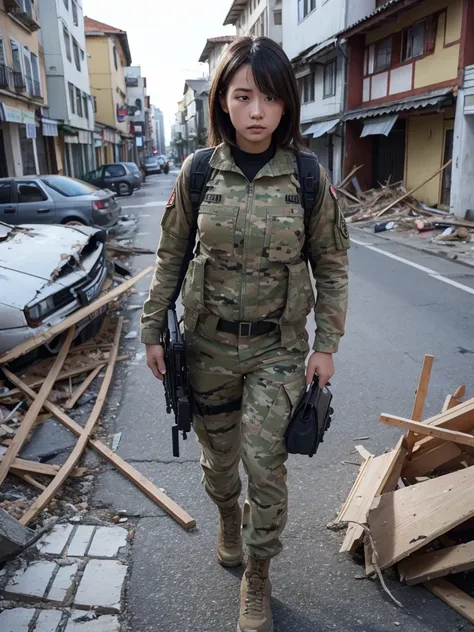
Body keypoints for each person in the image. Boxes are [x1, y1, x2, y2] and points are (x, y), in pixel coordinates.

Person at [141, 36, 349, 632]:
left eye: (271, 98)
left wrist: (325, 344)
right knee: (220, 463)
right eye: (243, 96)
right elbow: (171, 253)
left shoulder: (308, 177)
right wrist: (153, 328)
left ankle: (258, 573)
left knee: (267, 466)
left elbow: (331, 266)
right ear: (223, 103)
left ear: (287, 107)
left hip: (277, 350)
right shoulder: (199, 171)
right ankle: (228, 519)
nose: (257, 111)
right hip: (205, 346)